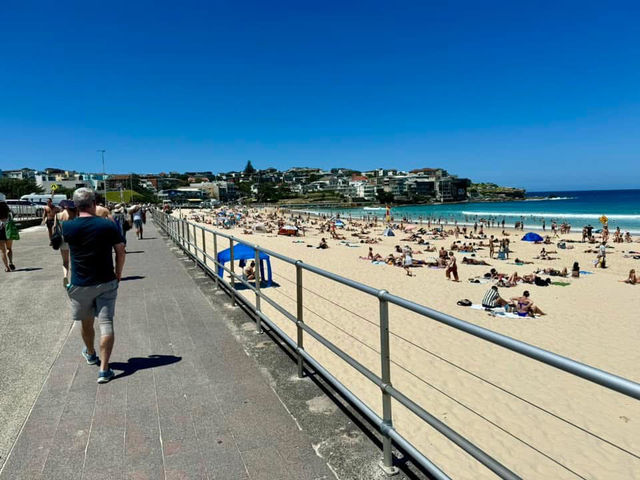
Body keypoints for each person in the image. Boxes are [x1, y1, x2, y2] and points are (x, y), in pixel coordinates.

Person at [62, 188, 126, 384]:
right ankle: (104, 369)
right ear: (93, 204)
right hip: (106, 281)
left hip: (80, 283)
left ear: (75, 205)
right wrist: (118, 273)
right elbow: (121, 251)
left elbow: (64, 256)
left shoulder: (67, 227)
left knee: (86, 323)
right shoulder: (107, 225)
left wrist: (66, 276)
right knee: (106, 323)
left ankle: (90, 353)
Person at [54, 200, 77, 286]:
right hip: (73, 239)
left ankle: (65, 276)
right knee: (74, 260)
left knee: (65, 261)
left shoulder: (57, 215)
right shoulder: (73, 215)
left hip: (62, 239)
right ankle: (74, 278)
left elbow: (54, 228)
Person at [0, 201, 16, 272]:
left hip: (0, 231)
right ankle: (11, 262)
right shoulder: (9, 214)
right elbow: (12, 220)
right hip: (9, 231)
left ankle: (7, 267)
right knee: (9, 248)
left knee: (2, 251)